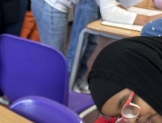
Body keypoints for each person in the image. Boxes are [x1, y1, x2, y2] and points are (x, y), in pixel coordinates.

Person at [32, 0, 162, 90]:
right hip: (49, 3)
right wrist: (147, 19)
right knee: (54, 59)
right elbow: (109, 12)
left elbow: (126, 3)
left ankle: (57, 96)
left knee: (56, 61)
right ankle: (48, 100)